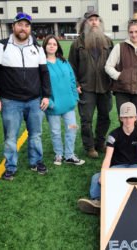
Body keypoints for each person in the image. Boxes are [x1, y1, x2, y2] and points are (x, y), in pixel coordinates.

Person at [0, 13, 51, 180]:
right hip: (10, 101)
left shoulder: (37, 48)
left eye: (27, 26)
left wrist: (46, 96)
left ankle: (36, 162)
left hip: (34, 100)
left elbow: (44, 73)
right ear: (13, 27)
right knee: (10, 137)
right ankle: (10, 166)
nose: (23, 28)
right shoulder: (2, 46)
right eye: (20, 25)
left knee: (36, 134)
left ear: (30, 29)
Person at [68, 11, 113, 159]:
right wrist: (76, 84)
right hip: (86, 88)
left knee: (105, 116)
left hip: (105, 86)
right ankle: (89, 146)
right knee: (86, 119)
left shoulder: (108, 42)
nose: (94, 22)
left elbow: (114, 64)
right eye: (90, 20)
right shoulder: (77, 44)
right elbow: (71, 66)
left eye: (96, 20)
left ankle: (100, 143)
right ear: (84, 23)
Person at [43, 35, 85, 166]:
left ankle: (69, 155)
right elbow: (39, 85)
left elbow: (72, 80)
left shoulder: (64, 61)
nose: (51, 46)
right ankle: (59, 154)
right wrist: (49, 102)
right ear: (44, 46)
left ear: (57, 46)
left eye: (54, 44)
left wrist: (74, 97)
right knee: (55, 132)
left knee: (72, 128)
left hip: (68, 105)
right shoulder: (41, 64)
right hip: (53, 106)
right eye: (49, 44)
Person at [105, 13, 137, 117]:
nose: (134, 35)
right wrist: (120, 76)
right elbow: (108, 66)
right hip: (122, 90)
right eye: (131, 32)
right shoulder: (119, 47)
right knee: (124, 120)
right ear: (128, 33)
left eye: (136, 32)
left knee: (135, 120)